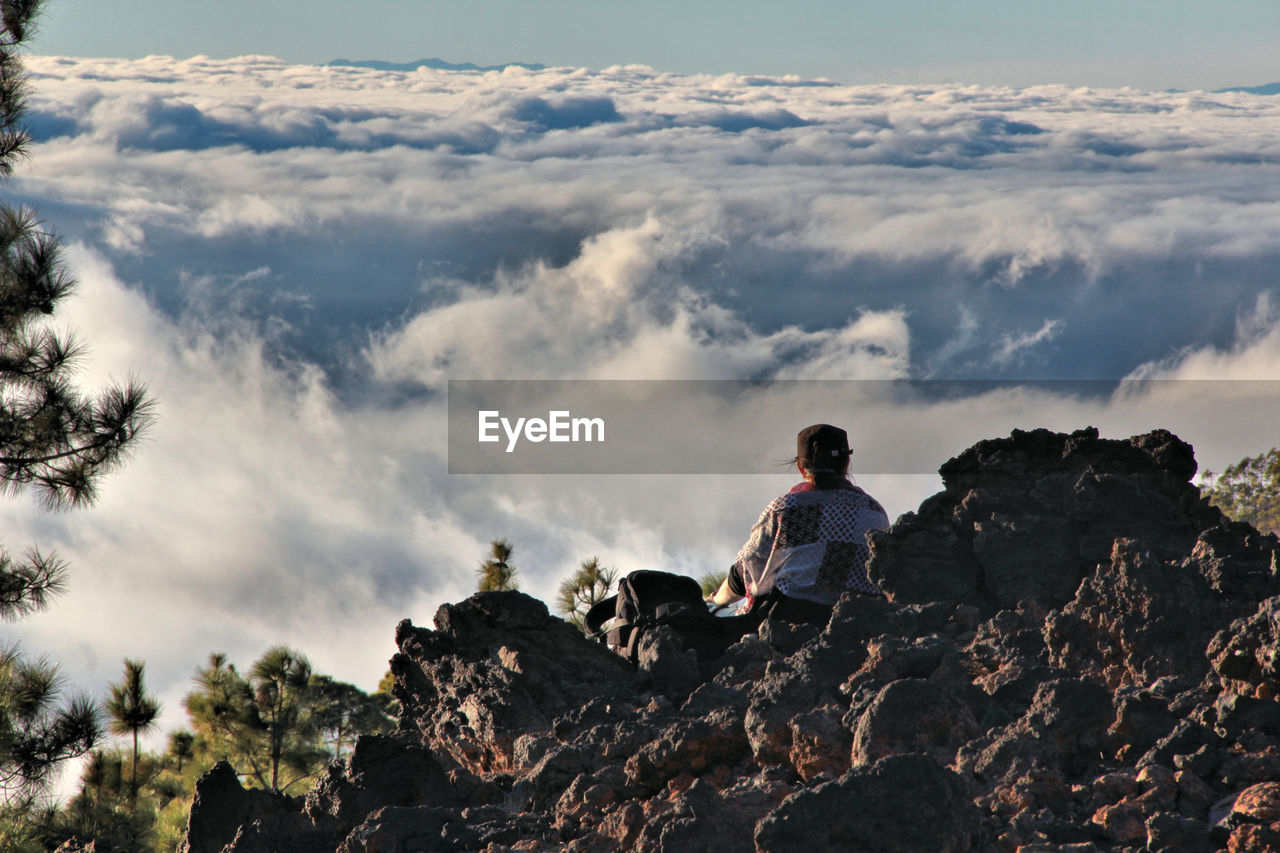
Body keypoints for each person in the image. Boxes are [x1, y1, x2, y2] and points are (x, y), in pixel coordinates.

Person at [707, 423, 890, 625]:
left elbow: (745, 571)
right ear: (846, 463)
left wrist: (713, 601)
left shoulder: (784, 508)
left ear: (801, 468)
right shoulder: (874, 510)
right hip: (859, 621)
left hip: (789, 620)